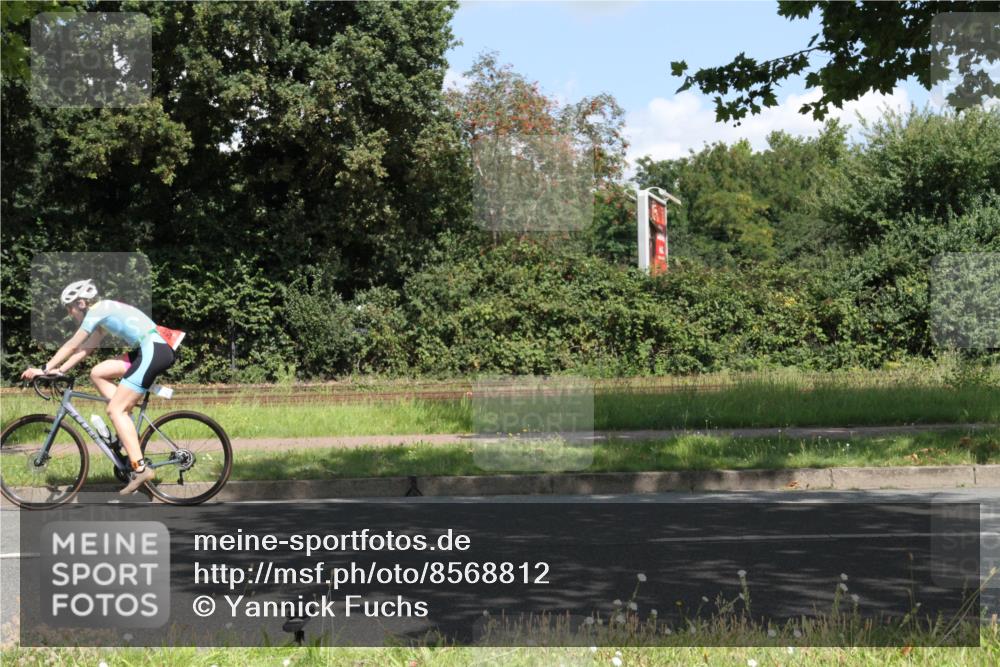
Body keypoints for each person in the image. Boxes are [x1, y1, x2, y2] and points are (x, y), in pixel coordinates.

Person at [20, 279, 176, 495]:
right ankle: (125, 418)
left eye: (70, 308)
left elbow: (73, 343)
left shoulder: (98, 311)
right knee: (98, 373)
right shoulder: (103, 312)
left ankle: (140, 468)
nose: (70, 313)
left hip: (153, 350)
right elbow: (86, 348)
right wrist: (61, 370)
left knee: (114, 410)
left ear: (81, 303)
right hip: (150, 348)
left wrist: (44, 369)